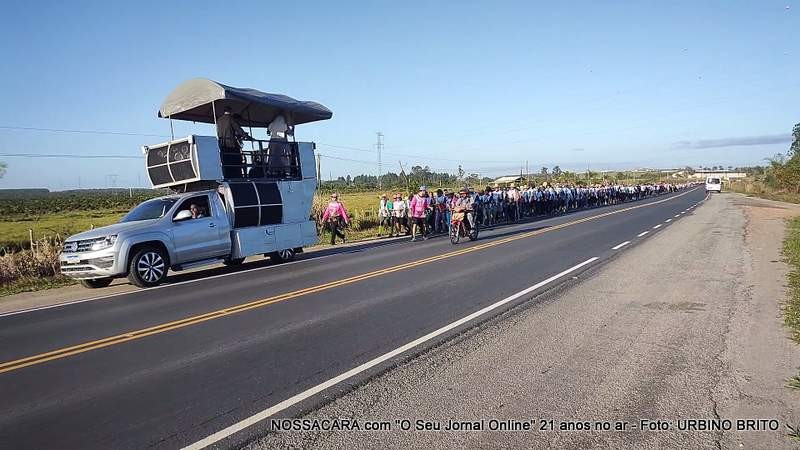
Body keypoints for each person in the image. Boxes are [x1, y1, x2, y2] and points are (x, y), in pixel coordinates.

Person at [216, 106, 252, 179]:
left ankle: (228, 176)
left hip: (222, 144)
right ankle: (238, 176)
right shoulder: (230, 119)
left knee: (226, 162)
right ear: (230, 111)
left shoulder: (219, 120)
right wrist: (248, 137)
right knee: (236, 161)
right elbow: (238, 129)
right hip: (232, 144)